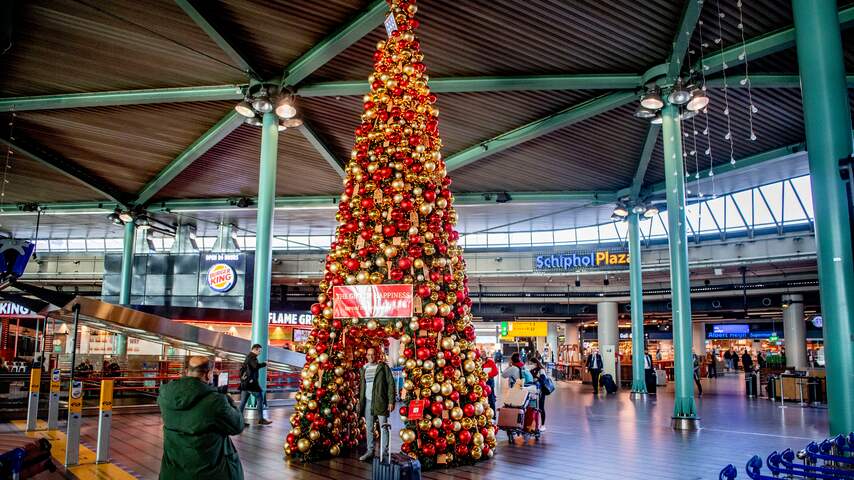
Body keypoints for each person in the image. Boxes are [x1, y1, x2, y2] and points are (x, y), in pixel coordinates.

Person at [158, 356, 244, 480]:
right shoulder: (215, 400)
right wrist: (227, 399)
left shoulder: (165, 395)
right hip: (209, 472)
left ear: (186, 371)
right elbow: (237, 425)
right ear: (208, 375)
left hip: (172, 471)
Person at [358, 347, 395, 462]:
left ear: (377, 355)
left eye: (373, 354)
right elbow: (363, 387)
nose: (371, 357)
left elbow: (390, 384)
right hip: (368, 401)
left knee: (383, 427)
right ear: (366, 356)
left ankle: (384, 452)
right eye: (368, 354)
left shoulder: (383, 367)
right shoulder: (364, 368)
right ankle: (370, 451)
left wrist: (391, 401)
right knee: (369, 428)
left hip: (381, 401)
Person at [238, 344, 272, 425]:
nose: (260, 352)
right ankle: (261, 419)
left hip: (245, 383)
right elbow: (255, 366)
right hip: (251, 383)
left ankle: (239, 420)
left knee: (243, 402)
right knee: (260, 398)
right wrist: (264, 364)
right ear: (255, 349)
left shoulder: (248, 356)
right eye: (259, 350)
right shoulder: (252, 357)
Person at [530, 358, 550, 431]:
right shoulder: (533, 370)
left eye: (531, 363)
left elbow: (543, 380)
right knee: (534, 408)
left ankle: (543, 425)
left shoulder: (541, 370)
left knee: (541, 408)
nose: (531, 365)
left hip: (541, 391)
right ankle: (534, 424)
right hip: (535, 391)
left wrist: (535, 376)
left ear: (535, 363)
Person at [482, 354, 499, 419]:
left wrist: (486, 375)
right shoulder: (478, 362)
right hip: (481, 383)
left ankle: (493, 415)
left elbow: (495, 372)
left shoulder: (490, 362)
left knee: (491, 398)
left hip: (489, 382)